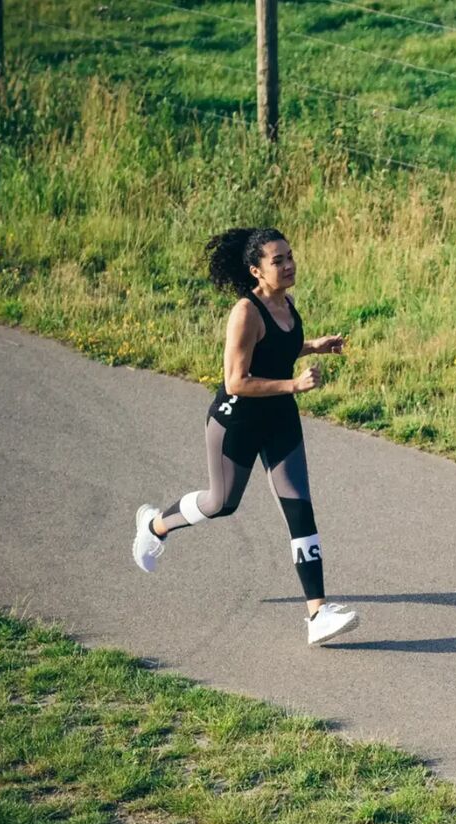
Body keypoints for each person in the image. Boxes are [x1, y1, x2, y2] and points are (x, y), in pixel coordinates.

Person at [130, 227, 361, 646]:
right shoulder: (245, 311)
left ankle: (318, 614)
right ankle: (155, 525)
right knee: (222, 503)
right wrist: (292, 385)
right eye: (278, 260)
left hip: (278, 418)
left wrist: (312, 346)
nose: (289, 265)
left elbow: (274, 347)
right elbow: (236, 381)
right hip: (236, 422)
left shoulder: (285, 302)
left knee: (299, 507)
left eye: (290, 256)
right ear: (257, 270)